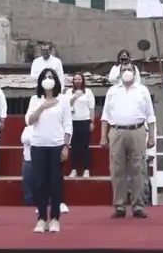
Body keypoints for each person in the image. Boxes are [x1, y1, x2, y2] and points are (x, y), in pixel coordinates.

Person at [100, 66, 156, 218]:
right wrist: (103, 135)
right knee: (117, 169)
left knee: (138, 169)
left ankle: (138, 205)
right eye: (124, 69)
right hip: (117, 131)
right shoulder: (112, 91)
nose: (127, 71)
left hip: (137, 130)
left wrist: (151, 136)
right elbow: (105, 115)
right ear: (119, 73)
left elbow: (150, 116)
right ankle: (119, 205)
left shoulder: (142, 90)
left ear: (134, 72)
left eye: (129, 68)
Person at [25, 68, 72, 233]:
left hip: (57, 145)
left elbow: (67, 124)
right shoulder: (34, 100)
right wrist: (42, 107)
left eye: (51, 76)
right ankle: (41, 218)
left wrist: (66, 145)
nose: (48, 79)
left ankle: (55, 218)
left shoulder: (63, 100)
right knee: (40, 182)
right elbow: (29, 121)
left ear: (56, 80)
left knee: (55, 181)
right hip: (38, 145)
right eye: (45, 77)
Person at [66, 72, 96, 178]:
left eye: (79, 79)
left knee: (84, 146)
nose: (77, 81)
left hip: (85, 121)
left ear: (83, 80)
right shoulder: (69, 92)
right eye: (75, 79)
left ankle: (86, 169)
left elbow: (91, 108)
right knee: (73, 147)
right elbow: (66, 105)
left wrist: (92, 122)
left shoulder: (88, 92)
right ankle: (73, 169)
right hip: (72, 122)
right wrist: (75, 97)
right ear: (73, 81)